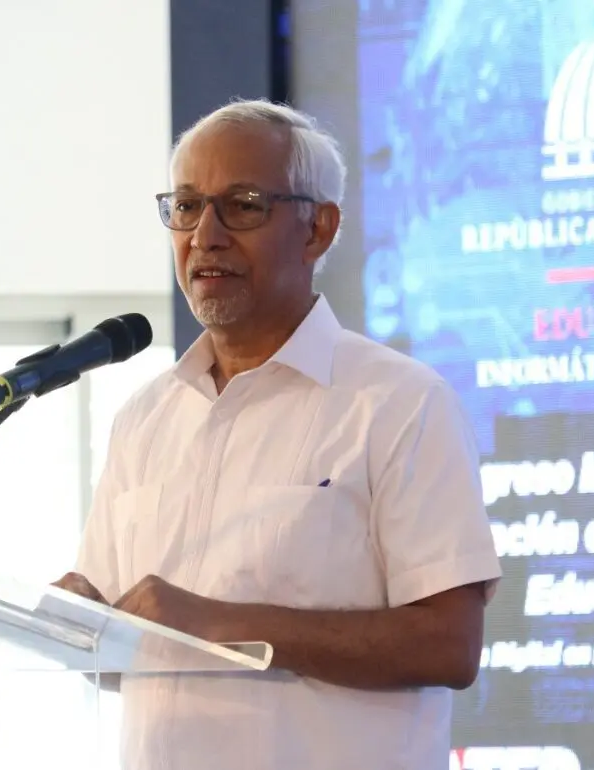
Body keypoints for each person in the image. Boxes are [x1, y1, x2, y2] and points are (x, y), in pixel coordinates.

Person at [55, 98, 501, 770]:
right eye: (185, 206)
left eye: (242, 205)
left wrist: (218, 623)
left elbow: (447, 644)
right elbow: (120, 662)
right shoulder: (143, 420)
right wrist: (82, 625)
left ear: (317, 229)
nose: (205, 235)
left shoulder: (400, 404)